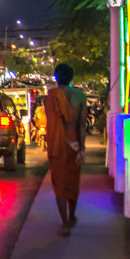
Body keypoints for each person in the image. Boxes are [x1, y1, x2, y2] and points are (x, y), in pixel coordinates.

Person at [45, 63, 88, 236]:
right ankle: (72, 216)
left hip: (57, 144)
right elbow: (82, 125)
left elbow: (52, 124)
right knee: (72, 182)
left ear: (56, 77)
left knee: (59, 185)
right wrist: (82, 149)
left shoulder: (50, 97)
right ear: (71, 78)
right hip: (74, 144)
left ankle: (64, 225)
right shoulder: (80, 97)